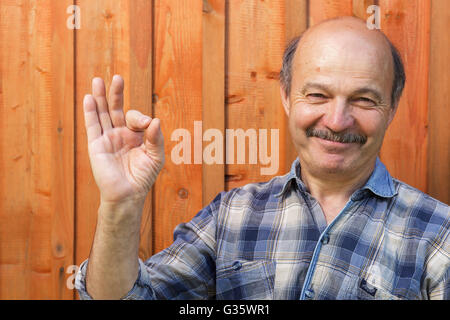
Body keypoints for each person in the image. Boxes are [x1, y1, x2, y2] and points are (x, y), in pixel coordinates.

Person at [75, 16, 449, 300]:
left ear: (392, 107)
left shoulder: (439, 236)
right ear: (287, 96)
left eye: (364, 99)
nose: (337, 121)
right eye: (317, 95)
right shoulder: (230, 216)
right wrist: (119, 205)